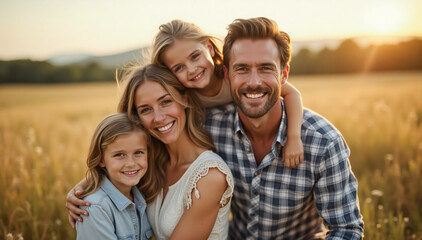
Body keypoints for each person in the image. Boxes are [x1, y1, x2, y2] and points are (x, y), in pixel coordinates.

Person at [203, 17, 364, 239]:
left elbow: (346, 229)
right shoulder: (210, 128)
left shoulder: (324, 143)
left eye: (265, 68)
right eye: (241, 69)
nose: (253, 82)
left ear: (284, 74)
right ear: (227, 76)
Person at [67, 64, 234, 240]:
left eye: (166, 102)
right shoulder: (148, 164)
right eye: (145, 109)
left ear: (185, 100)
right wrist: (81, 190)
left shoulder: (209, 175)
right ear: (136, 119)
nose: (159, 117)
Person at [152, 19, 304, 168]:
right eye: (178, 68)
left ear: (209, 48)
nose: (191, 69)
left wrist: (293, 137)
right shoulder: (184, 96)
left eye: (195, 56)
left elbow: (292, 94)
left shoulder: (236, 75)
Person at [75, 113, 152, 239]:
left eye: (138, 152)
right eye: (119, 155)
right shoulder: (95, 208)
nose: (131, 163)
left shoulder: (143, 196)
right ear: (101, 159)